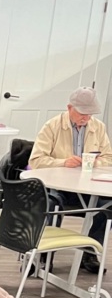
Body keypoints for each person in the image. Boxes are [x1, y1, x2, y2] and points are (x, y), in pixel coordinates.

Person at [28, 86, 112, 272]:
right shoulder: (52, 126)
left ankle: (90, 253)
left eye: (90, 114)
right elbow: (36, 161)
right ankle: (45, 255)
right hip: (59, 187)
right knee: (51, 202)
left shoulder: (98, 127)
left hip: (87, 186)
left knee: (108, 205)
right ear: (69, 108)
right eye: (82, 113)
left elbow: (109, 158)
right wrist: (63, 162)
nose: (86, 118)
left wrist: (94, 162)